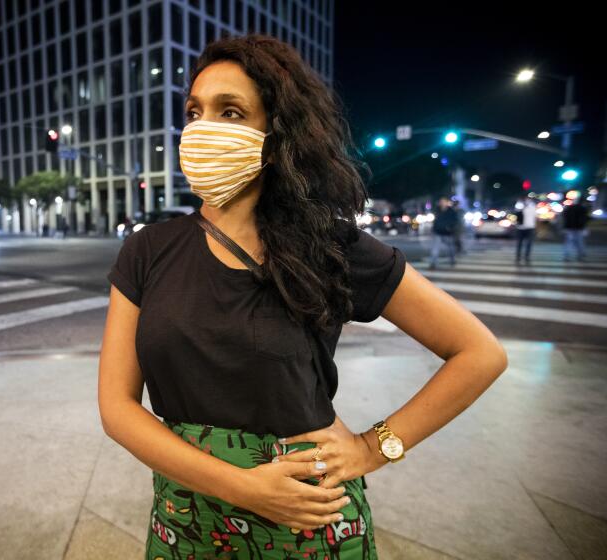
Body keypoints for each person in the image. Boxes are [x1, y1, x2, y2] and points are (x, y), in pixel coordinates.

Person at [99, 34, 508, 559]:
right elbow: (117, 408)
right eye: (194, 112)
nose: (202, 130)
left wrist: (372, 448)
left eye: (230, 112)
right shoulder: (147, 251)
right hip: (189, 516)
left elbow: (480, 353)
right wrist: (242, 486)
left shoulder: (333, 247)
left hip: (306, 523)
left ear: (276, 131)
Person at [429, 197, 458, 269]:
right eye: (441, 201)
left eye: (444, 201)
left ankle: (452, 260)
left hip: (447, 233)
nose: (442, 203)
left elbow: (454, 221)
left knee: (451, 249)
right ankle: (433, 263)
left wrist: (450, 227)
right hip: (438, 232)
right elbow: (435, 221)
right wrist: (433, 229)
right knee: (435, 249)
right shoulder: (437, 210)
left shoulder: (451, 211)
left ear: (447, 202)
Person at [514, 196, 537, 264]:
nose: (527, 201)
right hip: (520, 227)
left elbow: (535, 216)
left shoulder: (532, 206)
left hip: (530, 227)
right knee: (519, 243)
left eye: (528, 199)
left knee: (529, 243)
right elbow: (516, 212)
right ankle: (518, 256)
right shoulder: (519, 205)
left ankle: (527, 256)